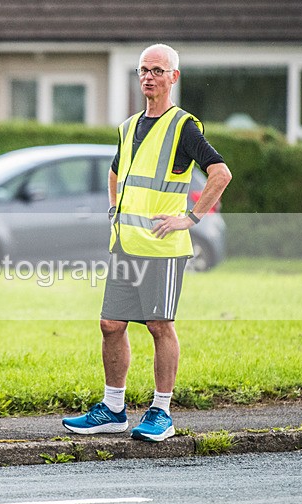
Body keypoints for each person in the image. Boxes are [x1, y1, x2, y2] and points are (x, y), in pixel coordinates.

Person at [62, 44, 232, 442]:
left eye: (158, 70)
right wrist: (113, 210)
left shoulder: (183, 126)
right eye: (143, 70)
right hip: (125, 245)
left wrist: (189, 218)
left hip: (161, 248)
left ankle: (161, 413)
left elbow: (220, 174)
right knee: (110, 325)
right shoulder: (128, 126)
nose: (149, 76)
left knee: (159, 326)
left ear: (173, 77)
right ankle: (114, 409)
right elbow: (114, 173)